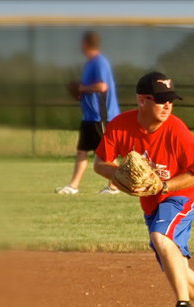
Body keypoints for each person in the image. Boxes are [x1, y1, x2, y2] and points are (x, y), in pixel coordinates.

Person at [94, 72, 194, 307]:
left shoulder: (177, 130)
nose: (167, 105)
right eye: (160, 100)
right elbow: (100, 163)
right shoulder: (121, 126)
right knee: (175, 263)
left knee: (160, 236)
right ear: (142, 101)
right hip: (152, 204)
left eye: (170, 100)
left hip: (183, 196)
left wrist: (164, 186)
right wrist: (118, 175)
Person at [56, 31, 120, 195]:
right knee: (82, 151)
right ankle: (73, 186)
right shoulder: (90, 63)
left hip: (101, 116)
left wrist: (82, 88)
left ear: (85, 44)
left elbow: (102, 86)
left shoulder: (100, 62)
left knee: (108, 153)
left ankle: (114, 186)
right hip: (90, 116)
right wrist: (81, 92)